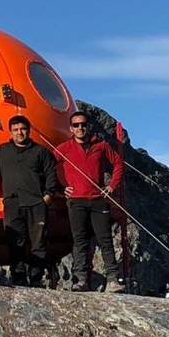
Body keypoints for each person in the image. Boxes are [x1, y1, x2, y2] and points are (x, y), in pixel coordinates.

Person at [0, 115, 60, 287]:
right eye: (15, 130)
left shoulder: (40, 151)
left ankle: (37, 278)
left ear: (28, 130)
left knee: (38, 242)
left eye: (22, 129)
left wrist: (48, 196)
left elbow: (51, 173)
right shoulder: (2, 151)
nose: (19, 133)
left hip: (36, 203)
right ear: (10, 132)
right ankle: (18, 277)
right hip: (13, 203)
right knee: (15, 242)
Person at [55, 110, 125, 292]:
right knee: (80, 241)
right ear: (71, 128)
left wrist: (112, 187)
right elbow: (48, 166)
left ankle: (112, 280)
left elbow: (118, 164)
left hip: (98, 199)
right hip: (75, 201)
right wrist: (60, 188)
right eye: (76, 125)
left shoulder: (100, 146)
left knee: (105, 239)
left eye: (83, 124)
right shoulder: (64, 148)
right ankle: (81, 280)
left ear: (88, 126)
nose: (80, 128)